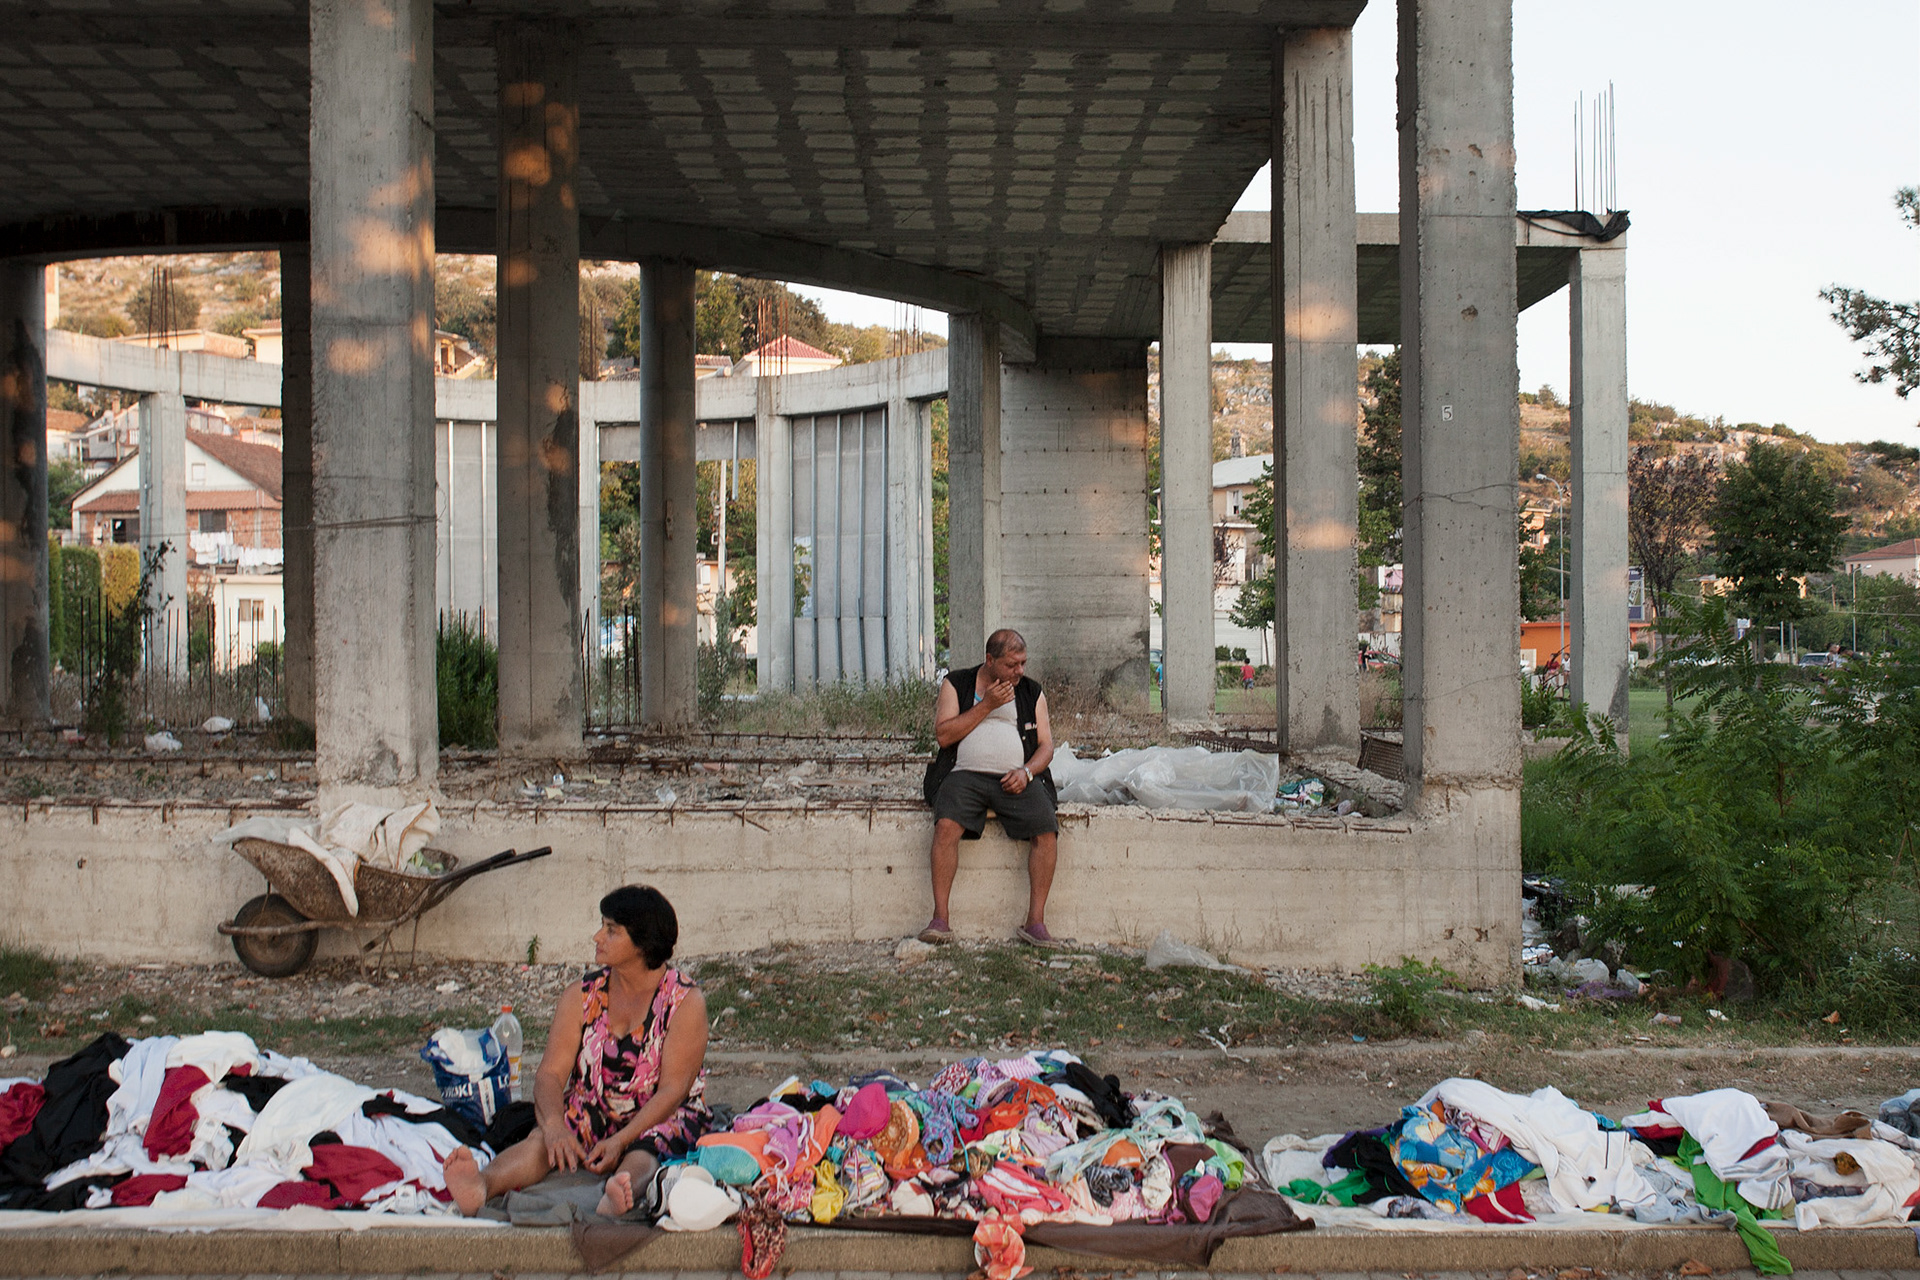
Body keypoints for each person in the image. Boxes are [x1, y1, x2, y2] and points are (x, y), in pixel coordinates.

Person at [443, 886, 709, 1218]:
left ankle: (620, 1190)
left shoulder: (684, 1002)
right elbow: (551, 1074)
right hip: (592, 1107)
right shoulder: (582, 995)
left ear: (642, 943)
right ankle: (481, 1184)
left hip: (657, 1113)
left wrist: (621, 1139)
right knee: (543, 1141)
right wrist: (554, 1125)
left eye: (611, 930)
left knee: (648, 1149)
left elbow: (673, 1090)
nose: (598, 936)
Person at [918, 628, 1060, 948]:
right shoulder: (957, 684)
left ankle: (1035, 922)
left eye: (1023, 663)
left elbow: (1046, 747)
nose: (1020, 671)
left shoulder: (1031, 691)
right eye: (1012, 665)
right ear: (990, 660)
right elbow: (944, 736)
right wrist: (987, 705)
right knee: (945, 826)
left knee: (1046, 830)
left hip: (1016, 778)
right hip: (963, 775)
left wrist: (1026, 772)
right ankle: (940, 919)